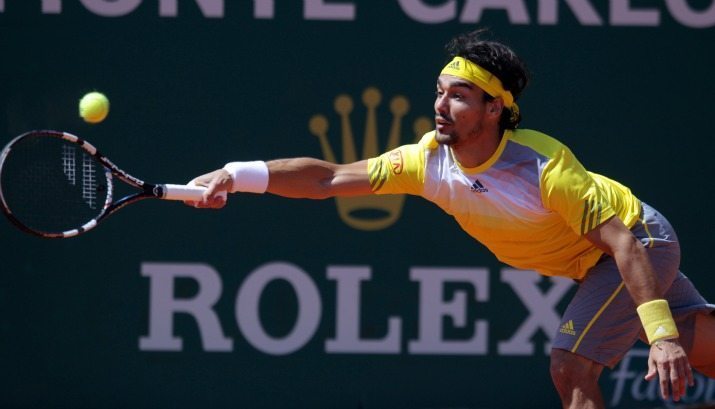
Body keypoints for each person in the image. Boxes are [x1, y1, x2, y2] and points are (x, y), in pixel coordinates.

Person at [187, 30, 715, 409]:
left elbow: (623, 243)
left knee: (571, 366)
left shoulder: (543, 167)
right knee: (703, 346)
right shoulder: (426, 162)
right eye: (439, 91)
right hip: (590, 259)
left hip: (634, 242)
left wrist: (660, 335)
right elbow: (327, 178)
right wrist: (237, 174)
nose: (441, 105)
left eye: (458, 96)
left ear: (494, 110)